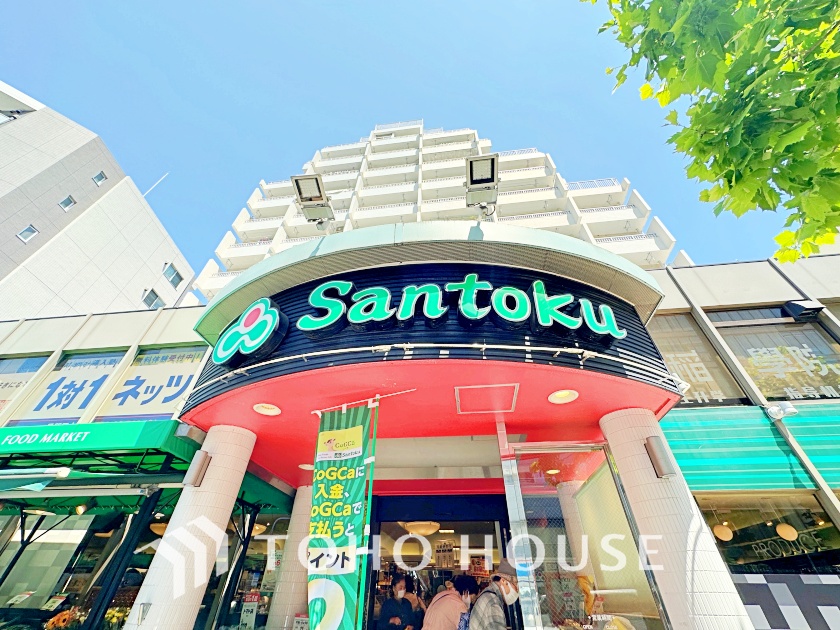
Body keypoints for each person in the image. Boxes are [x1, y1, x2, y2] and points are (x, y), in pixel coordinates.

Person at [468, 559, 519, 630]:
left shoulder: (488, 595)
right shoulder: (493, 603)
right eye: (516, 584)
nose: (517, 590)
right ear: (503, 581)